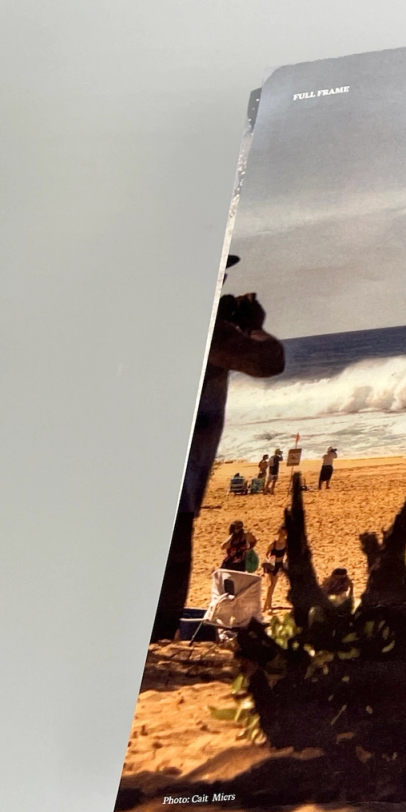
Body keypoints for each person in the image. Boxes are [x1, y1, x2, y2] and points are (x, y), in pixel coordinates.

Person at [149, 255, 283, 640]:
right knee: (166, 585)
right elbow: (268, 361)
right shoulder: (202, 325)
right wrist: (252, 326)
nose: (221, 279)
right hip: (176, 484)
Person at [261, 523, 288, 612]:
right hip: (271, 565)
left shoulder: (286, 543)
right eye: (282, 532)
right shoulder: (273, 543)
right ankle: (267, 607)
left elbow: (288, 554)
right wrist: (269, 561)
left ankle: (267, 606)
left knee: (273, 587)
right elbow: (267, 553)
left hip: (279, 565)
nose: (283, 534)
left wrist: (285, 562)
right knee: (270, 585)